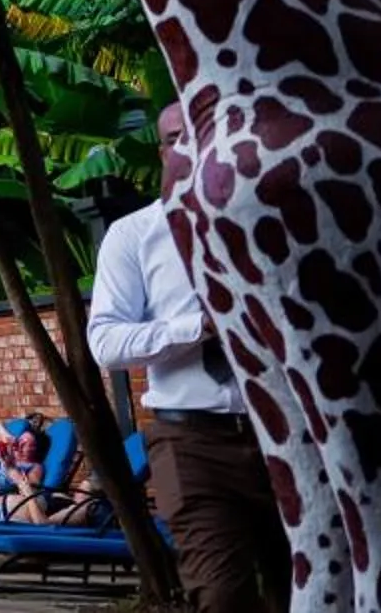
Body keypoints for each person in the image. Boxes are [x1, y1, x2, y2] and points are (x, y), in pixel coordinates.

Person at [88, 102, 288, 613]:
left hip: (286, 435)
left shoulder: (278, 223)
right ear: (162, 150)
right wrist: (199, 324)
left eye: (205, 135)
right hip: (192, 441)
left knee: (303, 588)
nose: (193, 147)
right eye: (178, 137)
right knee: (221, 595)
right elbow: (106, 342)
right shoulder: (134, 235)